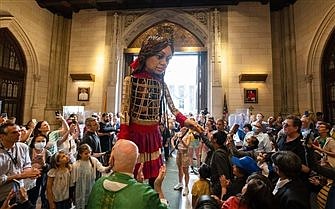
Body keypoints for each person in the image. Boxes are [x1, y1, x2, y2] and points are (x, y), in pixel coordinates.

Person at [117, 34, 202, 186]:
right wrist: (122, 138)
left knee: (155, 177)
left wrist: (185, 121)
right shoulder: (131, 80)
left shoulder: (161, 84)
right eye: (159, 57)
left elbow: (173, 108)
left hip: (153, 134)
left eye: (167, 59)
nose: (164, 63)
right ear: (146, 55)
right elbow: (125, 112)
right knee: (133, 176)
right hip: (135, 135)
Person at [87, 139, 169, 209]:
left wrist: (138, 184)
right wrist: (158, 187)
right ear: (136, 161)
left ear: (111, 160)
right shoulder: (147, 195)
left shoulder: (97, 184)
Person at [0, 122, 40, 206]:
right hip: (3, 196)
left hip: (20, 193)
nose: (19, 134)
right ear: (2, 136)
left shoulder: (23, 147)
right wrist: (21, 176)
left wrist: (31, 172)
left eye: (19, 131)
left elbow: (26, 165)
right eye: (14, 132)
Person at [71, 144, 111, 209]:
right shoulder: (76, 165)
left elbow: (101, 168)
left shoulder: (93, 160)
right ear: (80, 154)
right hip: (80, 188)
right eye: (86, 153)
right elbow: (73, 180)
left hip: (91, 186)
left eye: (89, 152)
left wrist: (109, 167)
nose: (88, 155)